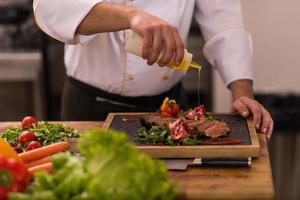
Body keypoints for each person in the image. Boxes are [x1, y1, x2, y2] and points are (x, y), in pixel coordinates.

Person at [33, 0, 273, 138]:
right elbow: (50, 5)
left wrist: (242, 93)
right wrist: (131, 16)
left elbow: (224, 20)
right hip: (88, 107)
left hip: (169, 109)